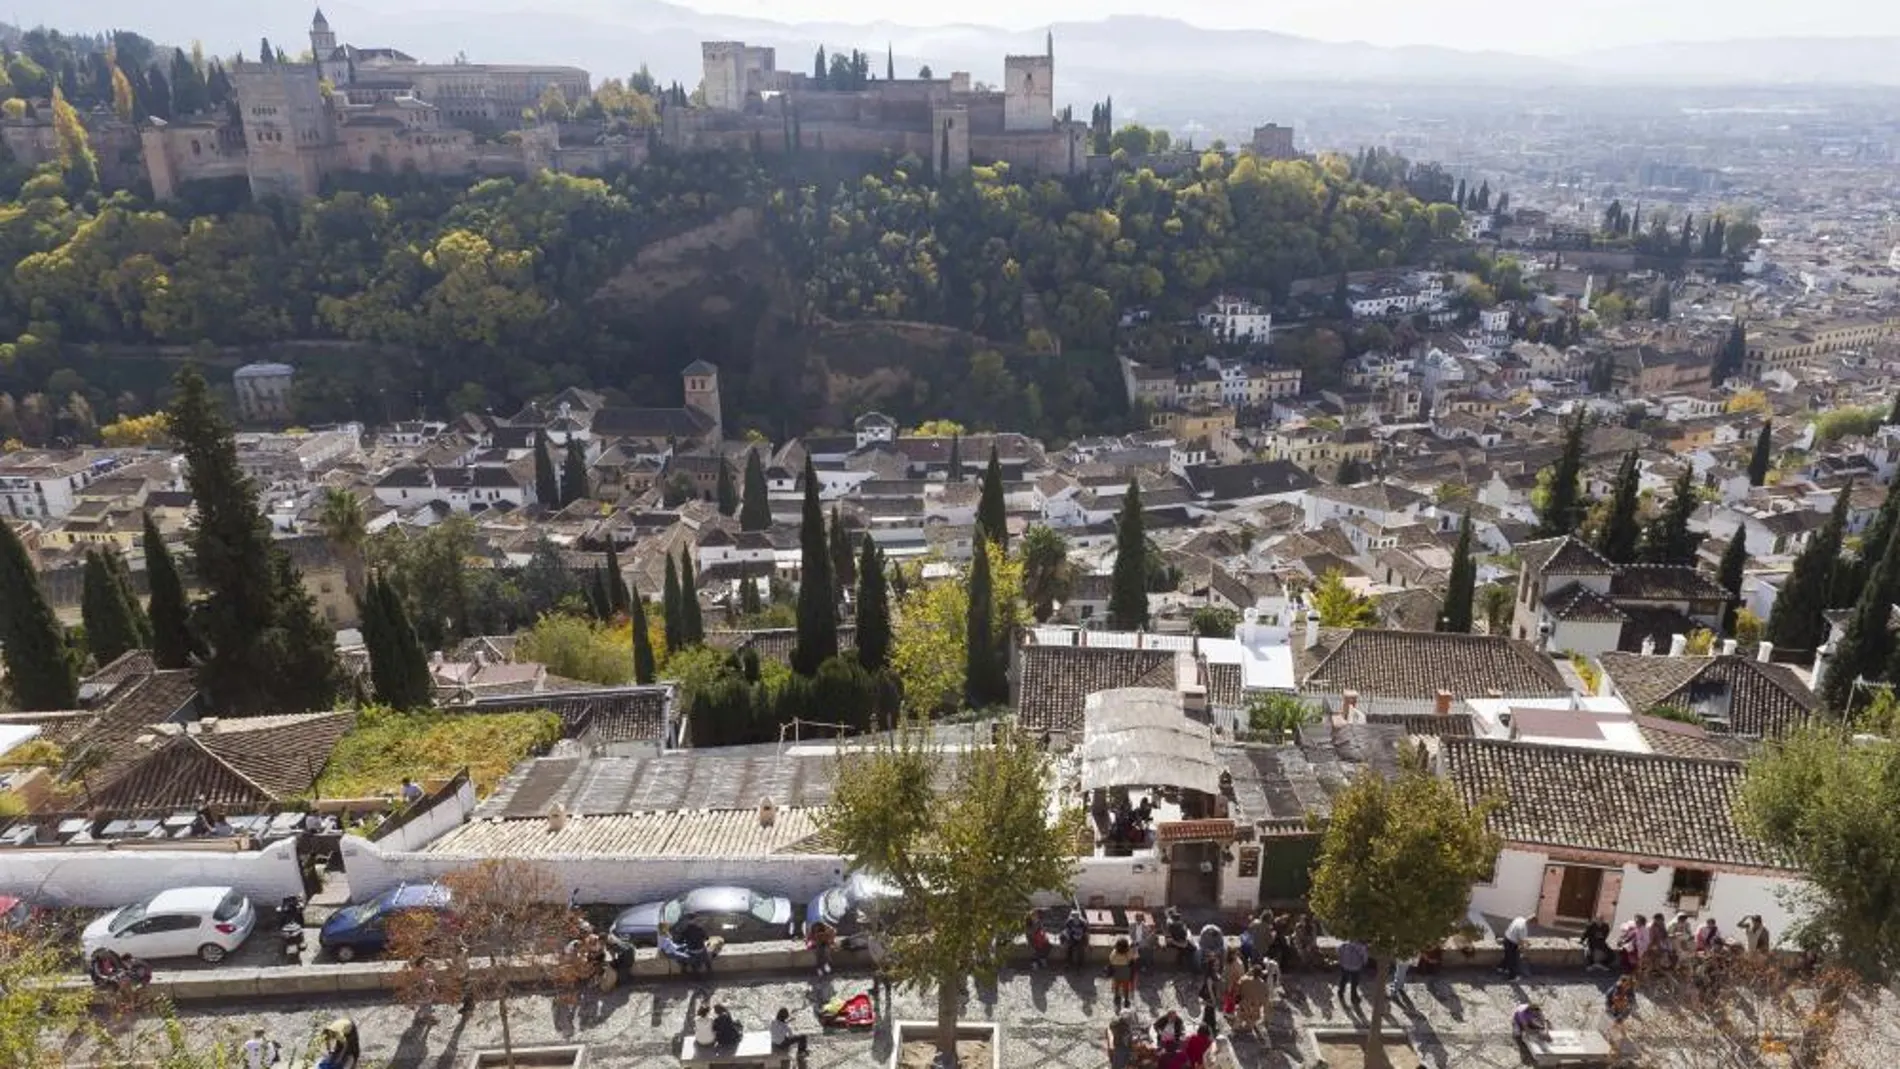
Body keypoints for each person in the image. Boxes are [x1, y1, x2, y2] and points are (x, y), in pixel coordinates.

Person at [1233, 964, 1274, 1034]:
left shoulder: (1245, 980)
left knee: (1239, 1020)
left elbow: (1237, 988)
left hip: (1243, 1006)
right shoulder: (1263, 985)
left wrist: (1248, 973)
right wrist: (1266, 1017)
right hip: (1254, 1010)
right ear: (1261, 974)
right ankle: (1248, 1026)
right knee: (1249, 1026)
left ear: (1252, 972)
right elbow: (1266, 1002)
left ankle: (1238, 1027)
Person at [1335, 939, 1368, 1009]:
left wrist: (1341, 959)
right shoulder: (1361, 946)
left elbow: (1338, 950)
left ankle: (1340, 992)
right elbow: (1364, 956)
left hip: (1345, 965)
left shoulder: (1345, 944)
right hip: (1356, 967)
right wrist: (1364, 963)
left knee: (1343, 979)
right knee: (1354, 983)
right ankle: (1353, 997)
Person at [1605, 974, 1636, 1042]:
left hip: (1625, 1008)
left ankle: (1618, 1034)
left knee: (1619, 1020)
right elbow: (1608, 1000)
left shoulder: (1630, 990)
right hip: (1614, 1007)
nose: (1626, 986)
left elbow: (1632, 1002)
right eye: (1625, 984)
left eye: (1628, 985)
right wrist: (1611, 1007)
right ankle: (1616, 1034)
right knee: (1616, 1020)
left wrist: (1626, 1003)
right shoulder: (1614, 989)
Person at [1109, 937, 1137, 1013]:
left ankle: (1116, 996)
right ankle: (1126, 999)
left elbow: (1111, 960)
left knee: (1117, 984)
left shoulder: (1114, 952)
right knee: (1126, 986)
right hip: (1126, 971)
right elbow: (1133, 959)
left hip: (1116, 971)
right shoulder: (1128, 952)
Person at [1499, 915, 1529, 980]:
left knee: (1507, 956)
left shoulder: (1519, 918)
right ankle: (1512, 977)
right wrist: (1524, 949)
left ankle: (1501, 968)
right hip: (1512, 943)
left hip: (1506, 938)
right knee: (1513, 960)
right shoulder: (1523, 928)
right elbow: (1521, 941)